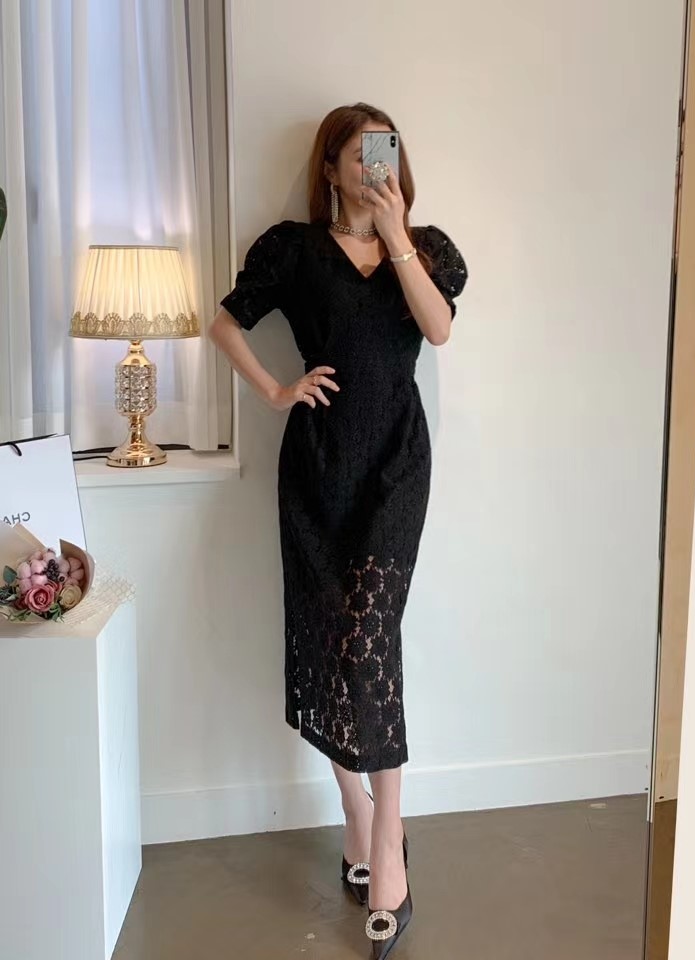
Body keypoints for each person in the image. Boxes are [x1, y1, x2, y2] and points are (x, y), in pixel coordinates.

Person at [210, 102, 467, 958]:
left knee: (368, 636)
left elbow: (438, 328)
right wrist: (276, 391)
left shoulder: (424, 249)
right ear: (329, 168)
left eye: (382, 151)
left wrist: (395, 235)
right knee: (329, 640)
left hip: (395, 466)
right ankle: (356, 809)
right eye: (356, 155)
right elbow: (224, 323)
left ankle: (387, 839)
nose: (370, 166)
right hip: (318, 468)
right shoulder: (293, 250)